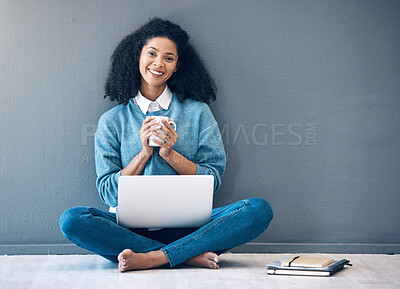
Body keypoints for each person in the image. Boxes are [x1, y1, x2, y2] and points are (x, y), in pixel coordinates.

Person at [59, 18, 273, 272]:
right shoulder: (112, 121)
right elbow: (107, 192)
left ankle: (152, 257)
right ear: (137, 57)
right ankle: (184, 255)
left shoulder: (198, 113)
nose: (158, 64)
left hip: (191, 227)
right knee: (72, 220)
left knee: (258, 210)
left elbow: (212, 179)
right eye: (152, 54)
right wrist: (144, 154)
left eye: (168, 58)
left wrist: (171, 155)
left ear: (176, 66)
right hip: (130, 230)